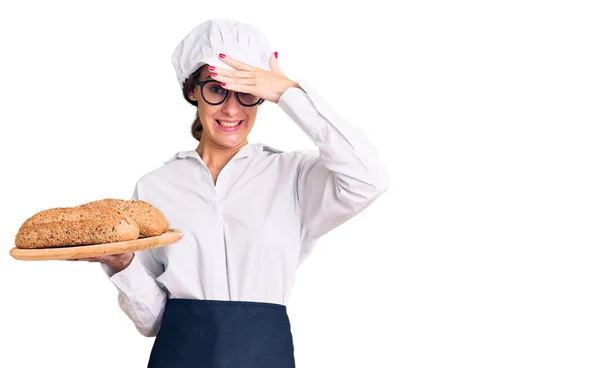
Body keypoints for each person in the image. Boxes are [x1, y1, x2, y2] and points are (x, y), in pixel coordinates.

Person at [80, 19, 390, 367]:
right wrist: (122, 265)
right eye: (216, 89)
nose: (231, 109)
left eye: (247, 92)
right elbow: (153, 322)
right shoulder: (156, 187)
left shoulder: (295, 176)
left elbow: (369, 178)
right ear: (192, 90)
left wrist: (289, 93)